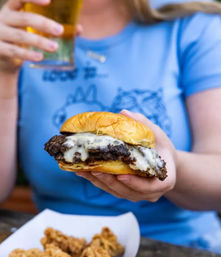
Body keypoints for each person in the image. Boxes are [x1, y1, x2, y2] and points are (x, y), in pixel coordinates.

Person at [1, 0, 221, 252]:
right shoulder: (19, 31)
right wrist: (3, 73)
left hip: (180, 246)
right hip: (60, 244)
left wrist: (173, 166)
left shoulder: (192, 23)